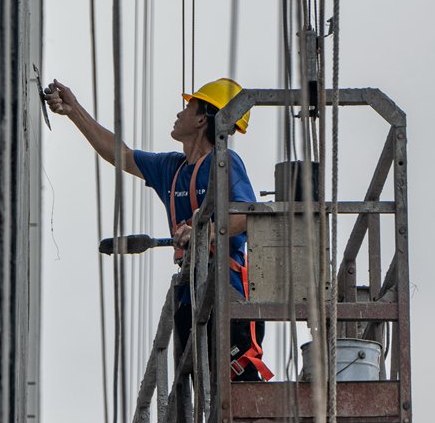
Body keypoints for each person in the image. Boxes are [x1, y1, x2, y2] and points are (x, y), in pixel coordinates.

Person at [43, 76, 271, 381]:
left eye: (188, 106)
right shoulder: (172, 169)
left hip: (226, 297)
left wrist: (203, 231)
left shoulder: (224, 162)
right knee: (204, 402)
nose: (179, 114)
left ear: (203, 118)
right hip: (190, 298)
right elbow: (120, 154)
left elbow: (245, 214)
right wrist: (74, 111)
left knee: (234, 394)